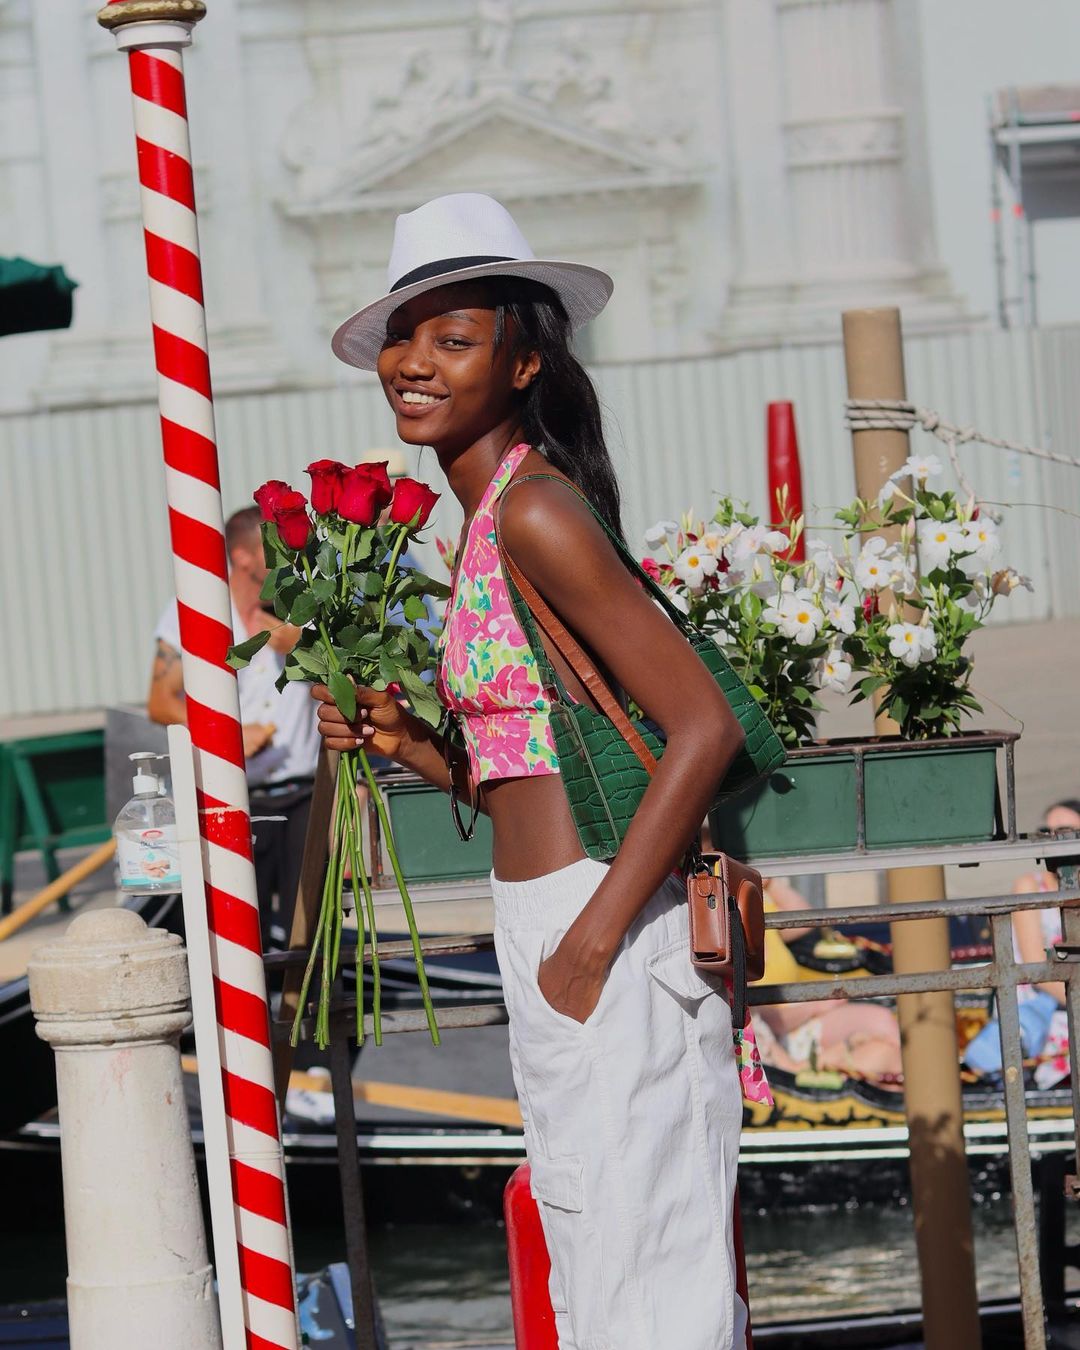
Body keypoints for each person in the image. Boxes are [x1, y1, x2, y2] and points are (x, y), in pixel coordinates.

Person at [313, 192, 754, 1348]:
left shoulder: (534, 513)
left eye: (453, 339)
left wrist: (591, 942)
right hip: (552, 914)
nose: (414, 362)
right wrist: (410, 743)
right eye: (404, 337)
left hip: (595, 916)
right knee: (602, 1248)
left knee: (640, 1265)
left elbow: (704, 726)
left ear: (523, 364)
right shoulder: (489, 520)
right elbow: (528, 770)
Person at [148, 504, 320, 951]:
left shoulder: (305, 604)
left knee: (312, 930)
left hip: (307, 792)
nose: (292, 551)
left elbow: (349, 686)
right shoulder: (197, 608)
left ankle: (313, 996)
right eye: (277, 545)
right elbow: (161, 701)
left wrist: (305, 650)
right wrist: (228, 735)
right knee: (238, 935)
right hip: (233, 797)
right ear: (243, 556)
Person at [964, 799, 1080, 1087]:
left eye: (1067, 831)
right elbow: (1036, 969)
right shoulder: (1030, 887)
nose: (1055, 839)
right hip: (1043, 1008)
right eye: (1047, 831)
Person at [752, 877, 903, 1080]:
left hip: (798, 1021)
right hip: (780, 1029)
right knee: (881, 1054)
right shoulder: (730, 955)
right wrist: (818, 1007)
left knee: (883, 1026)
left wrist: (770, 884)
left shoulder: (760, 916)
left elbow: (805, 922)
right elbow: (765, 1021)